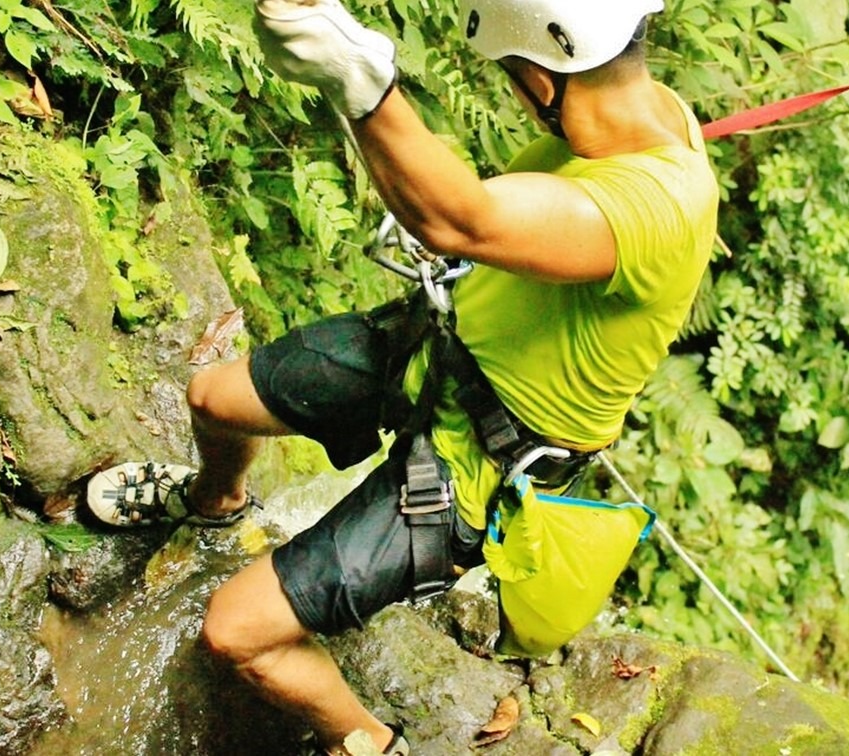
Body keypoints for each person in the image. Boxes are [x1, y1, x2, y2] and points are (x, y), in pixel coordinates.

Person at [84, 0, 718, 752]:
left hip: (476, 466)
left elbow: (464, 221)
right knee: (212, 399)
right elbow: (462, 217)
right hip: (432, 348)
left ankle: (370, 741)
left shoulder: (661, 207)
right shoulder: (645, 118)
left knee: (235, 633)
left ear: (543, 82)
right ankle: (214, 504)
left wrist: (361, 81)